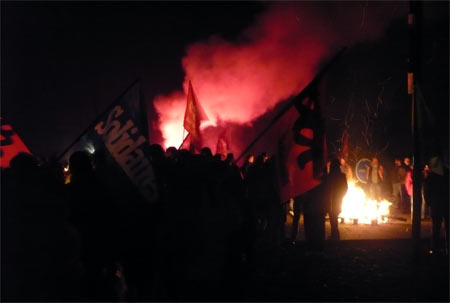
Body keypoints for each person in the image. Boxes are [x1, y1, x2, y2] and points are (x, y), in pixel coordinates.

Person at [423, 156, 449, 255]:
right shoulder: (447, 173)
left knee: (436, 228)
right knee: (443, 227)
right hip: (445, 204)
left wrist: (429, 202)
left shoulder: (431, 176)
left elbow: (426, 191)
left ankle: (435, 248)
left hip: (437, 205)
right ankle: (442, 248)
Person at [326, 159, 348, 240]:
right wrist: (340, 196)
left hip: (332, 199)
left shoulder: (329, 177)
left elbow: (326, 188)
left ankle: (335, 236)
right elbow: (345, 188)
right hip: (336, 199)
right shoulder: (342, 176)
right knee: (334, 217)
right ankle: (335, 235)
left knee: (333, 217)